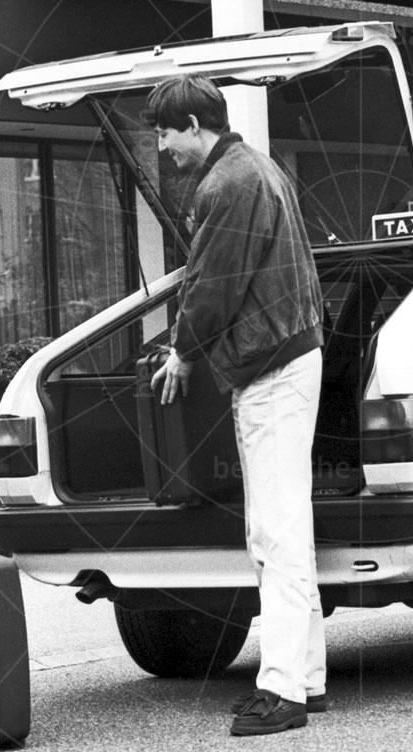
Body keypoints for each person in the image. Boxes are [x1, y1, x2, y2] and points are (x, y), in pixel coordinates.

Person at [143, 76, 326, 737]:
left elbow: (212, 286)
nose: (162, 147)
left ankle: (282, 692)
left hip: (270, 368)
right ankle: (305, 677)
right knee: (288, 527)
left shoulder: (225, 184)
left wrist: (182, 351)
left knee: (274, 533)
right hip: (290, 354)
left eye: (165, 132)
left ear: (195, 124)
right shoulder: (259, 168)